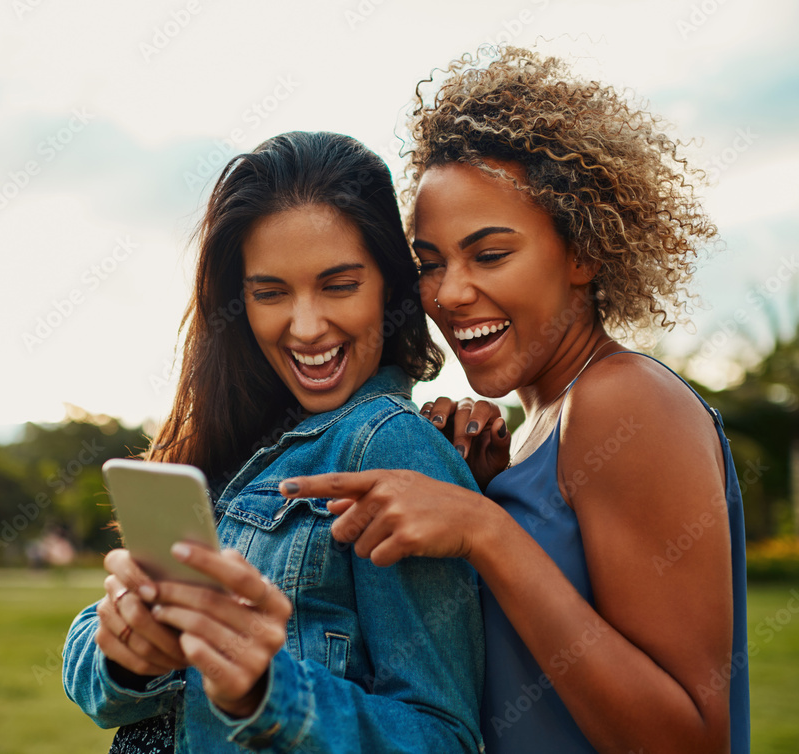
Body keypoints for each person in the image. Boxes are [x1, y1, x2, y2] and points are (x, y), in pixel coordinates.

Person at [281, 48, 750, 753]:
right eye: (431, 262)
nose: (451, 293)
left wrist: (484, 528)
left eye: (490, 254)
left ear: (582, 254)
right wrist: (489, 490)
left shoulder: (626, 402)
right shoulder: (539, 427)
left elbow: (690, 739)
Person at [62, 131, 485, 753]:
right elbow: (95, 673)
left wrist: (267, 692)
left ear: (391, 289)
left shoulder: (390, 448)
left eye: (339, 285)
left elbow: (445, 737)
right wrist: (127, 653)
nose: (307, 326)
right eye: (270, 293)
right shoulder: (242, 437)